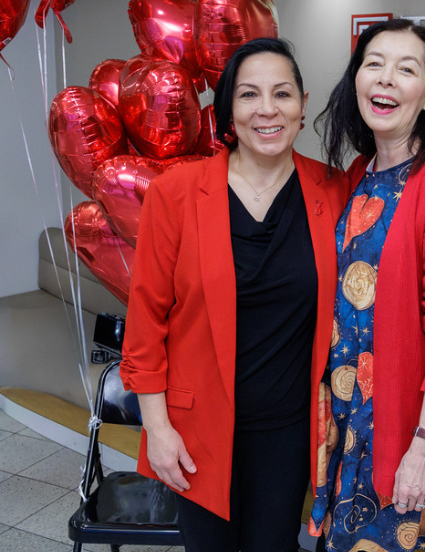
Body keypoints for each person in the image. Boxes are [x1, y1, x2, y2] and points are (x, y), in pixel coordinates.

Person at [119, 38, 348, 552]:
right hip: (195, 428)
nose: (267, 109)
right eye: (249, 95)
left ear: (303, 104)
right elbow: (146, 320)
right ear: (228, 110)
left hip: (289, 431)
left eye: (282, 94)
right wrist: (157, 428)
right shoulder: (175, 194)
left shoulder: (332, 190)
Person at [308, 18, 425, 552]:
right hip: (343, 414)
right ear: (356, 80)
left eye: (406, 70)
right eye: (374, 64)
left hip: (398, 422)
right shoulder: (360, 172)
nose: (386, 79)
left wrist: (424, 445)